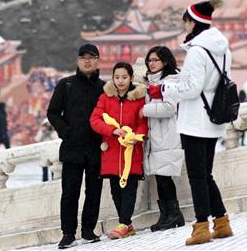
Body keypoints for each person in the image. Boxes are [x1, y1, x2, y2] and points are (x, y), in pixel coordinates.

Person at [148, 0, 234, 245]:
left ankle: (201, 227)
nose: (184, 26)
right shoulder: (222, 49)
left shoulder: (198, 51)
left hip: (196, 119)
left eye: (185, 21)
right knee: (206, 174)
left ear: (193, 22)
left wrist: (162, 89)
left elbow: (191, 89)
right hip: (214, 118)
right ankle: (221, 222)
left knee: (197, 176)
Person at [46, 44, 105, 249]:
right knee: (70, 192)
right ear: (78, 60)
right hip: (72, 148)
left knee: (94, 191)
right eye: (83, 57)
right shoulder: (66, 85)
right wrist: (66, 131)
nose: (87, 61)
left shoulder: (104, 88)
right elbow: (52, 112)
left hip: (96, 148)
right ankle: (68, 233)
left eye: (91, 57)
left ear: (98, 60)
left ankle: (88, 230)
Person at [89, 62, 147, 240]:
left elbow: (143, 123)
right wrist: (112, 131)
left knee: (130, 189)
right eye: (117, 77)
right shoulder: (105, 98)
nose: (120, 81)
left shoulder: (139, 99)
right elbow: (95, 120)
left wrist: (136, 136)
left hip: (131, 152)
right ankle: (127, 225)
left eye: (124, 77)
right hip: (112, 151)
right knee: (116, 190)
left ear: (131, 78)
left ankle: (123, 223)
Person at [143, 46, 186, 231]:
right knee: (160, 178)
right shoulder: (151, 82)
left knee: (164, 178)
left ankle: (174, 214)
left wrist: (144, 111)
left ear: (165, 61)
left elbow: (170, 107)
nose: (151, 63)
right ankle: (167, 214)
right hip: (156, 139)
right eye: (149, 60)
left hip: (168, 136)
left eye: (155, 60)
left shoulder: (171, 81)